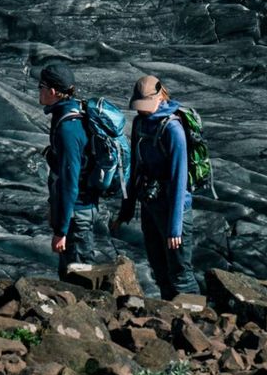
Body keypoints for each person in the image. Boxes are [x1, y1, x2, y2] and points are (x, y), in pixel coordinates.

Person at [113, 75, 199, 300]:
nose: (142, 111)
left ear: (160, 97)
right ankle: (170, 318)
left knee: (180, 274)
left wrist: (175, 227)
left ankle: (199, 320)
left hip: (173, 208)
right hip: (150, 206)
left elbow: (180, 179)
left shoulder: (173, 129)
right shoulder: (141, 123)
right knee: (159, 272)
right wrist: (127, 209)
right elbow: (135, 169)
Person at [39, 62, 99, 280]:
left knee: (79, 279)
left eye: (41, 86)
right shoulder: (71, 114)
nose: (39, 91)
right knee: (73, 276)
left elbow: (69, 181)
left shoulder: (67, 129)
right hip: (77, 211)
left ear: (53, 91)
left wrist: (61, 231)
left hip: (77, 215)